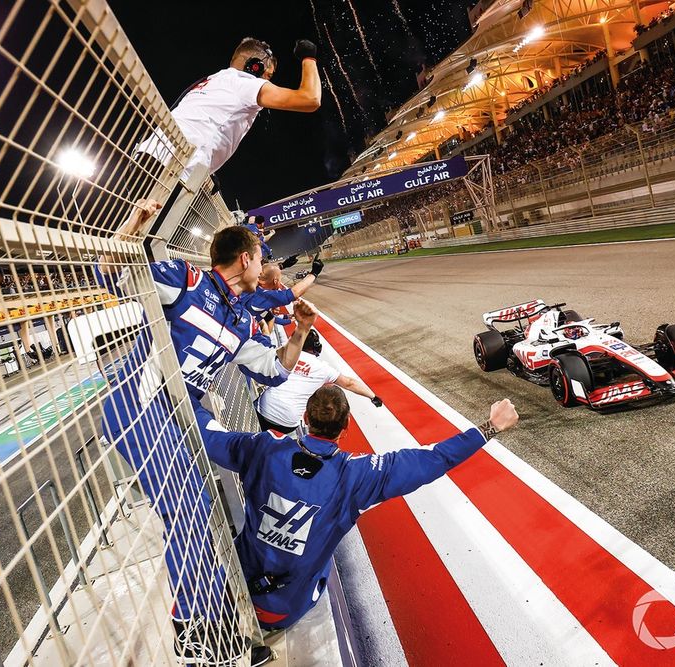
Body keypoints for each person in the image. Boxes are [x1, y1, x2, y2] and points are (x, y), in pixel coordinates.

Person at [97, 200, 316, 665]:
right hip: (143, 405)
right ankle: (195, 632)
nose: (265, 266)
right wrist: (133, 226)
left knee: (248, 461)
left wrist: (300, 332)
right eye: (261, 258)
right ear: (245, 259)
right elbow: (112, 273)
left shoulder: (241, 317)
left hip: (183, 410)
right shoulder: (187, 281)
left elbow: (273, 372)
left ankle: (220, 615)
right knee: (190, 508)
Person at [200, 385, 519, 629]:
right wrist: (490, 427)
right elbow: (434, 458)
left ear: (305, 419)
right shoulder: (357, 475)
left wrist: (184, 385)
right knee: (324, 552)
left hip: (231, 584)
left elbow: (208, 432)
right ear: (345, 428)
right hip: (283, 610)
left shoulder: (263, 447)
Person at [134, 38, 321, 181]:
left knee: (129, 228)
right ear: (254, 67)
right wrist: (308, 58)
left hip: (147, 156)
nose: (267, 81)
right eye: (268, 75)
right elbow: (310, 99)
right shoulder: (246, 83)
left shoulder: (213, 80)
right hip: (176, 167)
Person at [255, 329, 382, 433]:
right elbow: (349, 383)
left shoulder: (283, 354)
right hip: (287, 423)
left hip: (263, 410)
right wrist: (373, 396)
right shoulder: (324, 369)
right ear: (316, 347)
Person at [241, 259, 322, 325]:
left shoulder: (255, 290)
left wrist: (289, 317)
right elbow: (294, 293)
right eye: (280, 279)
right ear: (275, 281)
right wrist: (314, 273)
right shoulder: (264, 295)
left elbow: (271, 317)